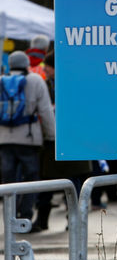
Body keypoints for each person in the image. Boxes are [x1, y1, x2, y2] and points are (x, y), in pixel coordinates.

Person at [33, 51, 92, 232]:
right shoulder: (67, 84)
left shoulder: (62, 86)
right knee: (54, 182)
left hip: (66, 141)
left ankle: (71, 220)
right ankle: (48, 220)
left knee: (67, 183)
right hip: (67, 141)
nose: (46, 71)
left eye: (48, 68)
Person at [0, 51, 55, 220]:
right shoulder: (36, 80)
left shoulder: (1, 81)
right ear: (26, 65)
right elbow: (45, 111)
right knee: (31, 178)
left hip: (4, 140)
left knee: (8, 180)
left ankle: (10, 216)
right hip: (29, 139)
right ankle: (26, 214)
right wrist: (51, 136)